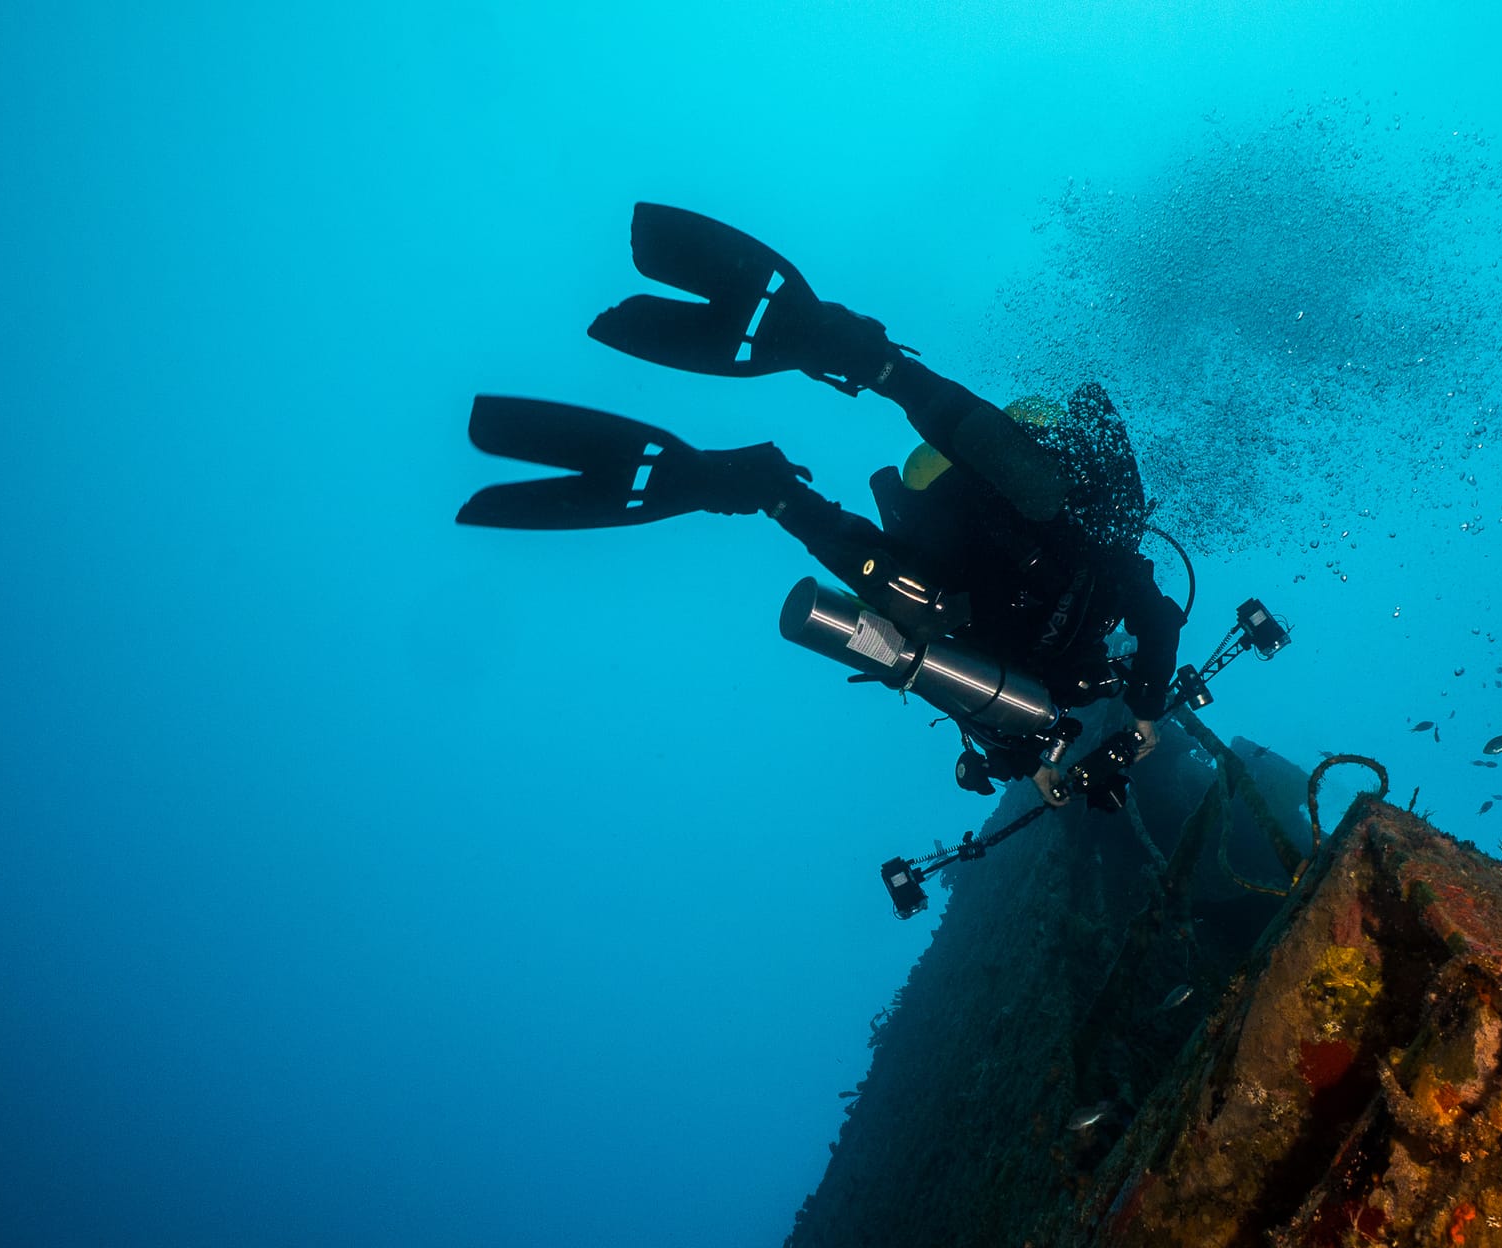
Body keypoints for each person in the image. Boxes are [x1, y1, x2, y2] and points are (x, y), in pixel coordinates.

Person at [459, 205, 1187, 809]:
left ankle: (778, 473)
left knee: (919, 615)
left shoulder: (1036, 700)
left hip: (946, 537)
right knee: (1047, 514)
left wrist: (1040, 763)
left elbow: (964, 700)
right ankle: (849, 399)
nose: (1110, 672)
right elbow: (1153, 618)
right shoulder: (1105, 590)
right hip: (986, 499)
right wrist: (1148, 712)